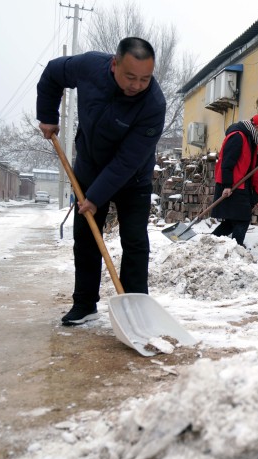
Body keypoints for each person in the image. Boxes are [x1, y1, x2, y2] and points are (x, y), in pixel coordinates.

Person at [36, 37, 166, 326]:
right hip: (90, 166)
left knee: (134, 241)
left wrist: (94, 198)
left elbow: (127, 160)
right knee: (85, 239)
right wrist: (47, 115)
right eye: (130, 76)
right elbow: (52, 74)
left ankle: (135, 308)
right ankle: (84, 304)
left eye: (145, 79)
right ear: (114, 63)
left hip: (133, 177)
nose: (137, 85)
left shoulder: (153, 105)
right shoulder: (89, 66)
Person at [211, 114, 258, 246]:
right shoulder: (238, 137)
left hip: (242, 184)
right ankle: (236, 247)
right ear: (257, 127)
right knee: (242, 219)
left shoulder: (250, 139)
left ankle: (211, 243)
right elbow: (227, 162)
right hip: (232, 185)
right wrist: (227, 185)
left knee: (233, 220)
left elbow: (249, 161)